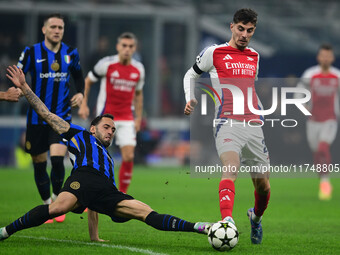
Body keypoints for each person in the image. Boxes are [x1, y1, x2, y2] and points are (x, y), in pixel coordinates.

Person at [0, 65, 210, 242]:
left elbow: (93, 204)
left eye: (113, 129)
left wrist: (94, 237)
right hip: (82, 178)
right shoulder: (78, 135)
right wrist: (25, 87)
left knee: (146, 212)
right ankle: (5, 232)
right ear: (93, 128)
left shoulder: (108, 160)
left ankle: (202, 227)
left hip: (107, 190)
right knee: (57, 208)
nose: (111, 131)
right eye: (106, 127)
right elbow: (46, 114)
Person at [183, 9, 270, 244]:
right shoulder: (214, 52)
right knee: (231, 167)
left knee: (263, 186)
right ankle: (227, 220)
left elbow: (250, 87)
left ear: (253, 31)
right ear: (232, 27)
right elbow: (190, 74)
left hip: (253, 125)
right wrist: (189, 98)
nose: (244, 34)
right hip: (227, 122)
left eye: (249, 30)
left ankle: (256, 217)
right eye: (240, 29)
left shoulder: (254, 56)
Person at [17, 13, 84, 223]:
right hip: (36, 119)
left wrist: (80, 93)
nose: (57, 31)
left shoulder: (70, 53)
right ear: (44, 29)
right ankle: (47, 205)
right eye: (53, 27)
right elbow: (17, 75)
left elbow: (79, 78)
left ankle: (56, 201)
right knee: (39, 163)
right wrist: (15, 90)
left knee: (57, 160)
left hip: (61, 117)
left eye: (60, 28)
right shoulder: (30, 52)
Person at [78, 32, 144, 193]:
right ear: (118, 47)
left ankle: (121, 195)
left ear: (134, 48)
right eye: (124, 46)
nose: (127, 49)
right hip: (105, 117)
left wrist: (138, 119)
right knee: (96, 159)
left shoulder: (138, 69)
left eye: (130, 46)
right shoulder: (106, 64)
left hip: (127, 118)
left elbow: (139, 94)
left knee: (128, 157)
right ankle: (90, 192)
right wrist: (84, 104)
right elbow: (88, 81)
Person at [295, 44, 340, 200]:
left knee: (323, 147)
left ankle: (326, 182)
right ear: (319, 57)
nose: (326, 58)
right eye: (323, 55)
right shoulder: (310, 74)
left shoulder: (337, 76)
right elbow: (298, 93)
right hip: (313, 121)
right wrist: (303, 106)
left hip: (330, 119)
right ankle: (322, 179)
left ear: (332, 58)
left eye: (328, 56)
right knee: (316, 152)